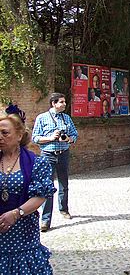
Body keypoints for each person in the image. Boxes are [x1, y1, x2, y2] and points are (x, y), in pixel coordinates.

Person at [0, 114, 56, 274]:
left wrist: (16, 213)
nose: (0, 137)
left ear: (19, 135)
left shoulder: (36, 163)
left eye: (5, 133)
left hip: (23, 234)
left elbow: (40, 196)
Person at [31, 93, 78, 232]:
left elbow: (75, 134)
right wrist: (51, 138)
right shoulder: (42, 118)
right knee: (47, 186)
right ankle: (45, 220)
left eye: (64, 102)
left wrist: (69, 139)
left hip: (63, 153)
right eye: (61, 102)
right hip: (48, 155)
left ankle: (64, 209)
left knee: (64, 183)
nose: (64, 104)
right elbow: (35, 138)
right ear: (53, 103)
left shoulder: (66, 118)